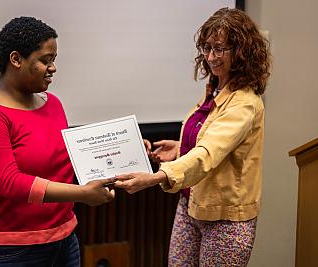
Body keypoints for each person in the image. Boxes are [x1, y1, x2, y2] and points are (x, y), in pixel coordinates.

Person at [115, 7, 271, 266]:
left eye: (220, 49)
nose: (211, 56)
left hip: (225, 221)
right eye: (207, 47)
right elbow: (209, 142)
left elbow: (209, 153)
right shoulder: (215, 89)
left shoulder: (244, 103)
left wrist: (154, 178)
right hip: (190, 205)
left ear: (241, 52)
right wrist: (179, 148)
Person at [0, 16, 115, 267]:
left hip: (64, 239)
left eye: (54, 60)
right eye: (45, 60)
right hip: (9, 251)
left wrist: (120, 149)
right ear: (16, 60)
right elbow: (11, 183)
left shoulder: (52, 103)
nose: (53, 68)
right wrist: (83, 194)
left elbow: (67, 158)